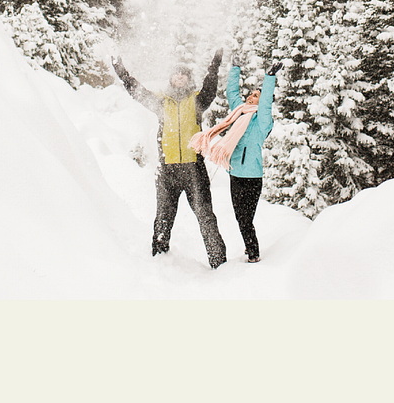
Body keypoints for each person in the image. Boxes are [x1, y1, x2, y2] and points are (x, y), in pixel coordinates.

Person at [111, 49, 229, 269]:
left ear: (188, 79)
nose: (179, 77)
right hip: (168, 171)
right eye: (176, 74)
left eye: (183, 74)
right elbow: (136, 90)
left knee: (206, 217)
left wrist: (214, 65)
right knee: (163, 219)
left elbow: (210, 88)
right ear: (171, 79)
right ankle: (159, 262)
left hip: (194, 169)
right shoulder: (161, 102)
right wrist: (121, 71)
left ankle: (219, 264)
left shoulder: (197, 101)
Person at [191, 52, 281, 263]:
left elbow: (266, 103)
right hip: (236, 175)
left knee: (245, 219)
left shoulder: (263, 121)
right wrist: (235, 68)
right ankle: (251, 250)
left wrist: (269, 78)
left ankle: (254, 254)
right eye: (251, 94)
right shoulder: (238, 113)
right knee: (241, 218)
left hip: (252, 178)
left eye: (256, 96)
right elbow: (232, 93)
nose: (251, 97)